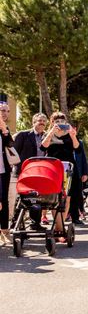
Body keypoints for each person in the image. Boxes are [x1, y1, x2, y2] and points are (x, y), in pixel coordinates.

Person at [41, 111, 84, 233]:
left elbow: (78, 149)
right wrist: (51, 132)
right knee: (54, 198)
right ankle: (59, 228)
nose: (60, 123)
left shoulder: (69, 134)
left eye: (62, 121)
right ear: (52, 123)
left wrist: (73, 135)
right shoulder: (49, 134)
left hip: (68, 169)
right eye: (57, 121)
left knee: (67, 198)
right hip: (52, 168)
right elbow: (43, 147)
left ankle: (60, 226)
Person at [0, 102, 14, 245]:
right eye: (2, 110)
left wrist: (4, 129)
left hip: (3, 170)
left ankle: (5, 232)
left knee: (4, 201)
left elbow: (10, 144)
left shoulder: (4, 128)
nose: (4, 113)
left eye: (7, 111)